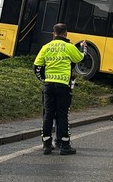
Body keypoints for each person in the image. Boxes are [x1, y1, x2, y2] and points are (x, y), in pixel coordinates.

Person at [33, 23, 85, 155]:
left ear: (53, 34)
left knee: (48, 114)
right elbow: (80, 58)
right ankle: (65, 145)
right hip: (63, 86)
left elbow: (37, 67)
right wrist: (83, 48)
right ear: (66, 34)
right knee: (62, 115)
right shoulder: (68, 47)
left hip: (48, 85)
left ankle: (46, 145)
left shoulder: (46, 47)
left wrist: (44, 79)